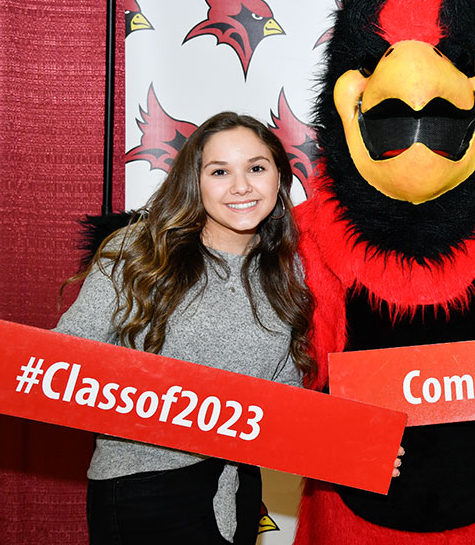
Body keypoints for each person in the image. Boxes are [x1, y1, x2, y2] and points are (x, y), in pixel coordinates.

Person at [55, 113, 315, 544]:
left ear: (279, 177)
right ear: (194, 181)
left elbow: (285, 394)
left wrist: (361, 447)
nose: (241, 186)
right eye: (219, 171)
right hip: (143, 486)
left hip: (239, 488)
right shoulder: (138, 251)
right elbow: (67, 361)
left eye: (256, 167)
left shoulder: (292, 272)